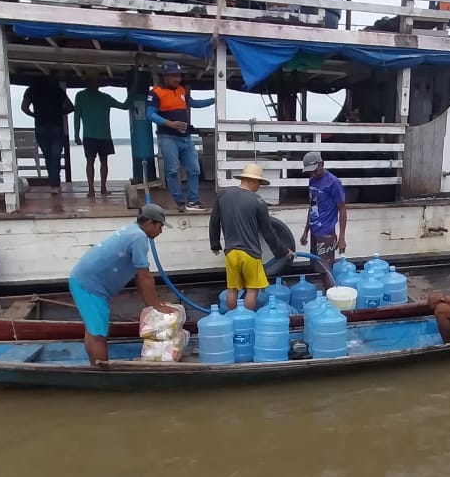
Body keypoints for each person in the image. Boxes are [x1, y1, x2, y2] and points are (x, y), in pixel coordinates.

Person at [69, 204, 177, 364]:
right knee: (98, 335)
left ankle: (94, 369)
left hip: (81, 280)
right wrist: (157, 307)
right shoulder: (139, 237)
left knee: (93, 331)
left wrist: (152, 306)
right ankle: (102, 378)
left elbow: (139, 278)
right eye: (160, 226)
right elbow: (144, 276)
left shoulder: (132, 230)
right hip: (91, 287)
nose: (160, 231)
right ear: (149, 223)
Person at [209, 162, 293, 311]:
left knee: (232, 289)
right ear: (251, 180)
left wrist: (215, 244)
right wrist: (283, 252)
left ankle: (232, 319)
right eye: (259, 182)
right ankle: (246, 320)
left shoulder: (223, 195)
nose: (259, 186)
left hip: (230, 252)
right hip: (250, 254)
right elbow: (268, 232)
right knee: (252, 290)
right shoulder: (258, 201)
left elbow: (214, 220)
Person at [147, 61, 214, 211]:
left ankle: (193, 201)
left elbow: (193, 103)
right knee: (172, 170)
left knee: (194, 169)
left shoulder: (182, 90)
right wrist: (170, 123)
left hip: (185, 137)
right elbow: (150, 115)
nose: (177, 79)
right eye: (173, 76)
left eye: (178, 76)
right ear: (165, 76)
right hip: (168, 137)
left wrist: (213, 101)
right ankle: (180, 202)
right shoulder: (155, 93)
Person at [74, 72, 129, 198]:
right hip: (91, 136)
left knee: (103, 162)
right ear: (87, 82)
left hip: (103, 136)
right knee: (90, 161)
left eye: (96, 80)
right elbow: (77, 116)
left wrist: (131, 91)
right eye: (92, 80)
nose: (94, 83)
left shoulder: (105, 97)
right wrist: (76, 134)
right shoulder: (81, 96)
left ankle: (103, 187)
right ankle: (91, 189)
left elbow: (124, 106)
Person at [297, 151, 347, 289]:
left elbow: (342, 209)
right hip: (314, 231)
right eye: (310, 172)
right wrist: (306, 230)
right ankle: (327, 296)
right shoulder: (312, 180)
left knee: (326, 270)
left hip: (326, 233)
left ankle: (331, 299)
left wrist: (342, 237)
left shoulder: (333, 182)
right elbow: (312, 205)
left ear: (321, 164)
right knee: (318, 268)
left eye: (314, 170)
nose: (313, 174)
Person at [22, 77, 74, 191]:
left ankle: (53, 182)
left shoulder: (31, 90)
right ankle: (54, 184)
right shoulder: (57, 90)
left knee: (48, 156)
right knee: (55, 156)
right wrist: (60, 112)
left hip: (41, 126)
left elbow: (24, 107)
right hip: (56, 125)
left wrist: (35, 115)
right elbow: (70, 107)